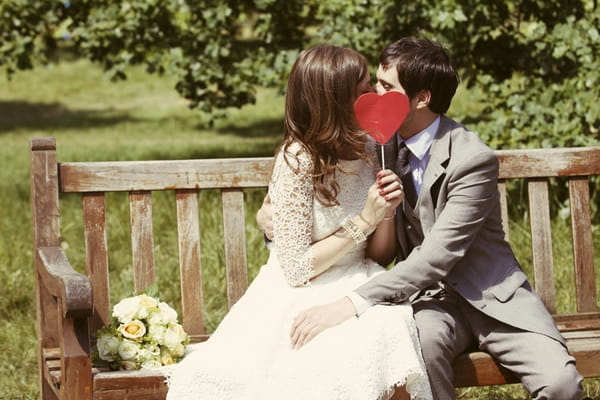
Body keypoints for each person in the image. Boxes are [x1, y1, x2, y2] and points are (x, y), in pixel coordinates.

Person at [258, 38, 583, 400]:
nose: (372, 96)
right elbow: (311, 174)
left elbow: (437, 256)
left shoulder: (471, 158)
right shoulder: (379, 143)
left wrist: (350, 303)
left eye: (385, 87)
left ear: (421, 98)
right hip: (430, 301)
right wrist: (267, 214)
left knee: (561, 384)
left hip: (491, 299)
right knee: (418, 353)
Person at [166, 43, 433, 400]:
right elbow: (295, 268)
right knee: (323, 355)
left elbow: (380, 256)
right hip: (299, 291)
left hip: (357, 280)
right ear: (336, 101)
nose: (373, 96)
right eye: (363, 90)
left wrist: (386, 211)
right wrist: (364, 220)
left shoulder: (372, 149)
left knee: (387, 325)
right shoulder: (297, 161)